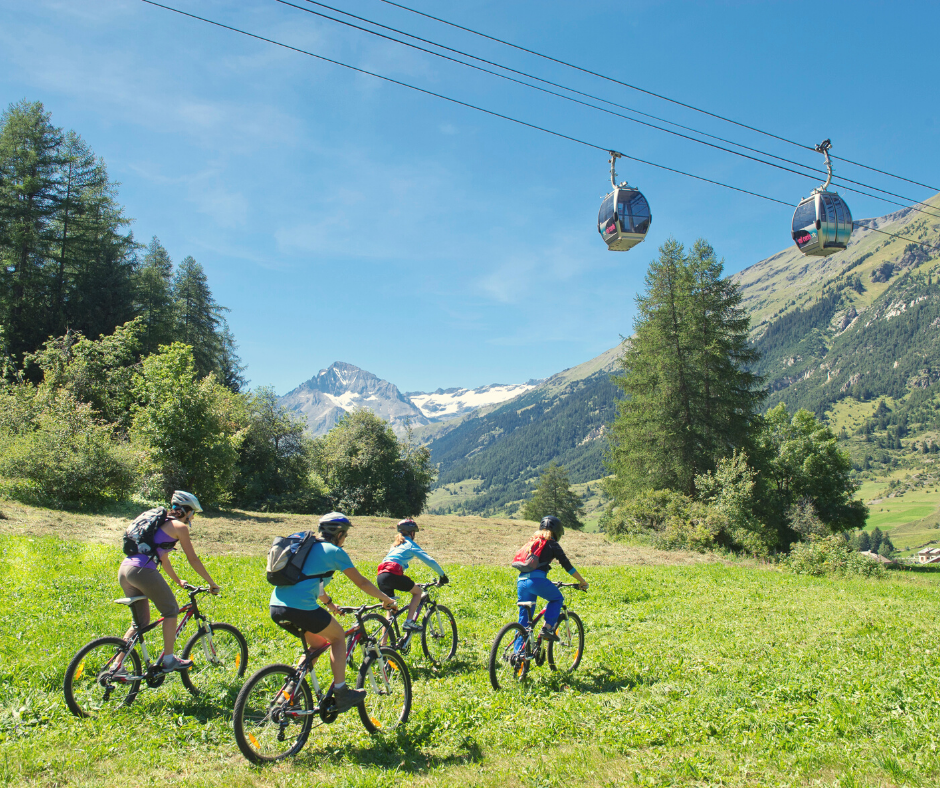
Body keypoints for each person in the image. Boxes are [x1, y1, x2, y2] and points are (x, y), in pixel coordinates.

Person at [270, 512, 397, 714]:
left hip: (277, 607)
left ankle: (290, 694)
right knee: (338, 638)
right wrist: (386, 599)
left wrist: (329, 604)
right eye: (345, 535)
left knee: (317, 644)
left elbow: (311, 581)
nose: (345, 539)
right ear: (339, 534)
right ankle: (341, 692)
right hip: (300, 608)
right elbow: (362, 582)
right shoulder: (334, 552)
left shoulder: (307, 547)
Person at [118, 491, 220, 672]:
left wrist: (178, 580)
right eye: (193, 513)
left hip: (126, 570)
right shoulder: (179, 528)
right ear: (186, 511)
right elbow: (193, 559)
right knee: (171, 610)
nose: (192, 518)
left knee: (140, 623)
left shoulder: (158, 524)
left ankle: (117, 666)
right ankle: (169, 659)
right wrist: (212, 582)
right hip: (142, 571)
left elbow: (163, 558)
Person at [516, 515, 588, 642]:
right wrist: (582, 581)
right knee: (557, 599)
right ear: (558, 532)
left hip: (521, 581)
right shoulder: (552, 543)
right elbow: (567, 566)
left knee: (524, 621)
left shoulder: (532, 542)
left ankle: (519, 656)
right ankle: (547, 628)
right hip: (536, 582)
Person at [376, 518, 448, 632]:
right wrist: (442, 575)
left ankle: (383, 646)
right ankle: (409, 622)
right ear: (412, 533)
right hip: (392, 574)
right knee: (418, 592)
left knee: (391, 612)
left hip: (381, 576)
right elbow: (429, 560)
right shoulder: (410, 545)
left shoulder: (395, 546)